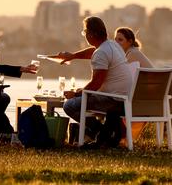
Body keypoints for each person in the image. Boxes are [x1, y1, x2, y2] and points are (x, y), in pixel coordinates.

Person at [54, 16, 132, 145]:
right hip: (125, 99)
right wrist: (73, 56)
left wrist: (77, 94)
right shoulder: (112, 45)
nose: (84, 35)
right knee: (79, 98)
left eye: (85, 32)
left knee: (69, 105)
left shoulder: (101, 53)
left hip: (113, 101)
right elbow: (94, 52)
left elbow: (96, 84)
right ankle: (108, 133)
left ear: (91, 34)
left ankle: (102, 133)